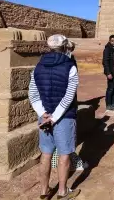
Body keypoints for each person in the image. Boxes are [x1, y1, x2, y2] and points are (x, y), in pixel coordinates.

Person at [28, 34, 80, 199]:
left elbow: (33, 95)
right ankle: (62, 192)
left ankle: (44, 192)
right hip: (63, 117)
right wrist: (55, 117)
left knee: (46, 153)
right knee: (64, 155)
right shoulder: (70, 67)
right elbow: (68, 96)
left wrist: (43, 114)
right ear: (64, 47)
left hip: (44, 117)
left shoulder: (38, 67)